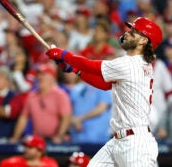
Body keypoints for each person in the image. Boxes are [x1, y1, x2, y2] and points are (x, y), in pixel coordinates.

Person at [46, 17, 162, 166]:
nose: (127, 33)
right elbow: (105, 84)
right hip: (118, 141)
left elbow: (91, 66)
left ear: (143, 41)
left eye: (134, 32)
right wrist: (74, 69)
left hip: (136, 144)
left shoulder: (130, 63)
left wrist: (64, 55)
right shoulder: (138, 64)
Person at [10, 63, 72, 144]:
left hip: (57, 140)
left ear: (52, 78)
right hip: (38, 139)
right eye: (38, 74)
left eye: (44, 74)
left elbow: (66, 118)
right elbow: (23, 118)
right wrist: (15, 137)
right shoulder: (32, 96)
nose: (40, 77)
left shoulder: (60, 95)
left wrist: (59, 136)